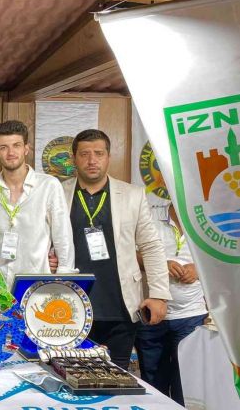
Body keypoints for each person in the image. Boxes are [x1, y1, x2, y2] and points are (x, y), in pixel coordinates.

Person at [62, 129, 170, 369]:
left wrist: (159, 294)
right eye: (85, 154)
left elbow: (151, 246)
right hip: (70, 306)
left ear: (108, 157)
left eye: (99, 153)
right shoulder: (58, 193)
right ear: (74, 159)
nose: (92, 160)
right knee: (69, 374)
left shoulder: (132, 195)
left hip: (120, 307)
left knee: (118, 377)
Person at [0, 120, 76, 287]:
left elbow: (63, 237)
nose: (11, 152)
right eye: (3, 147)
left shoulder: (49, 185)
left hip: (38, 283)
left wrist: (64, 277)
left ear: (26, 148)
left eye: (16, 145)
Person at [135, 203, 207, 406]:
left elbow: (221, 259)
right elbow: (128, 254)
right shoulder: (149, 214)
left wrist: (199, 269)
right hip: (151, 314)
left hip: (191, 315)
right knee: (152, 383)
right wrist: (159, 265)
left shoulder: (208, 221)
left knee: (185, 382)